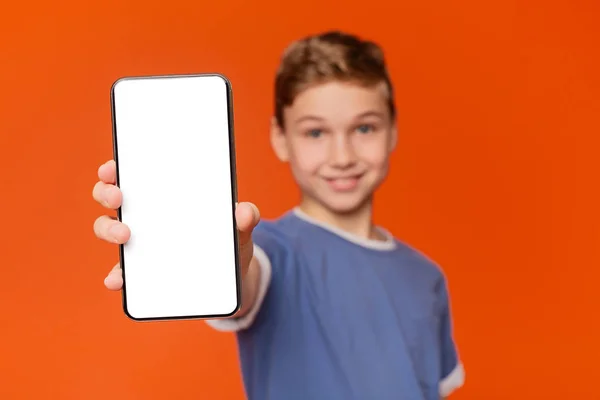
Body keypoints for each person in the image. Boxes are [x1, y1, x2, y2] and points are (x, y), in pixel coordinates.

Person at [92, 31, 465, 400]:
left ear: (393, 129)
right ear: (280, 137)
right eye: (315, 132)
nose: (342, 156)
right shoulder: (271, 250)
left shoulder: (426, 276)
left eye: (364, 128)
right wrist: (225, 255)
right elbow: (247, 281)